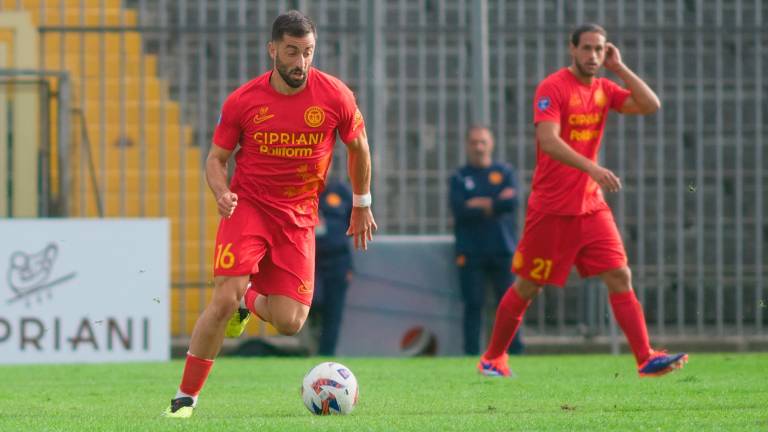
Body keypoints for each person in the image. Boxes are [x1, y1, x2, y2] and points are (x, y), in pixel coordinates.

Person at [163, 10, 377, 418]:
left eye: (308, 52)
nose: (300, 63)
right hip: (249, 208)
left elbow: (359, 146)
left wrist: (362, 202)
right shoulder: (244, 101)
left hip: (298, 217)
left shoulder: (335, 95)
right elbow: (216, 159)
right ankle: (184, 399)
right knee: (222, 297)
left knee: (290, 321)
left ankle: (249, 299)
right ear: (273, 50)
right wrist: (222, 192)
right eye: (292, 52)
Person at [477, 24, 688, 378]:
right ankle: (493, 358)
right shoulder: (553, 87)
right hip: (551, 208)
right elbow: (549, 140)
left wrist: (619, 68)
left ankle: (645, 358)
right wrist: (593, 167)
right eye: (587, 48)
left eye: (600, 49)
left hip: (591, 206)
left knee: (620, 275)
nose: (593, 56)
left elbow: (651, 105)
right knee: (528, 286)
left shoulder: (605, 89)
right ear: (571, 49)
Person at [449, 125, 524, 356]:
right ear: (467, 145)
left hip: (503, 248)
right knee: (473, 305)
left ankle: (514, 352)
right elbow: (460, 209)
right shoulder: (460, 177)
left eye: (483, 142)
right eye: (474, 142)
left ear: (491, 144)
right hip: (471, 251)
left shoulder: (505, 172)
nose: (479, 147)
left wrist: (479, 203)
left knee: (510, 304)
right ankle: (471, 353)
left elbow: (512, 202)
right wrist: (494, 202)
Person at [312, 176, 353, 356]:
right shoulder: (304, 190)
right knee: (312, 301)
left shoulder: (341, 191)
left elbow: (355, 218)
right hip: (312, 260)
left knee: (334, 312)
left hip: (338, 260)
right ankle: (311, 341)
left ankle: (326, 354)